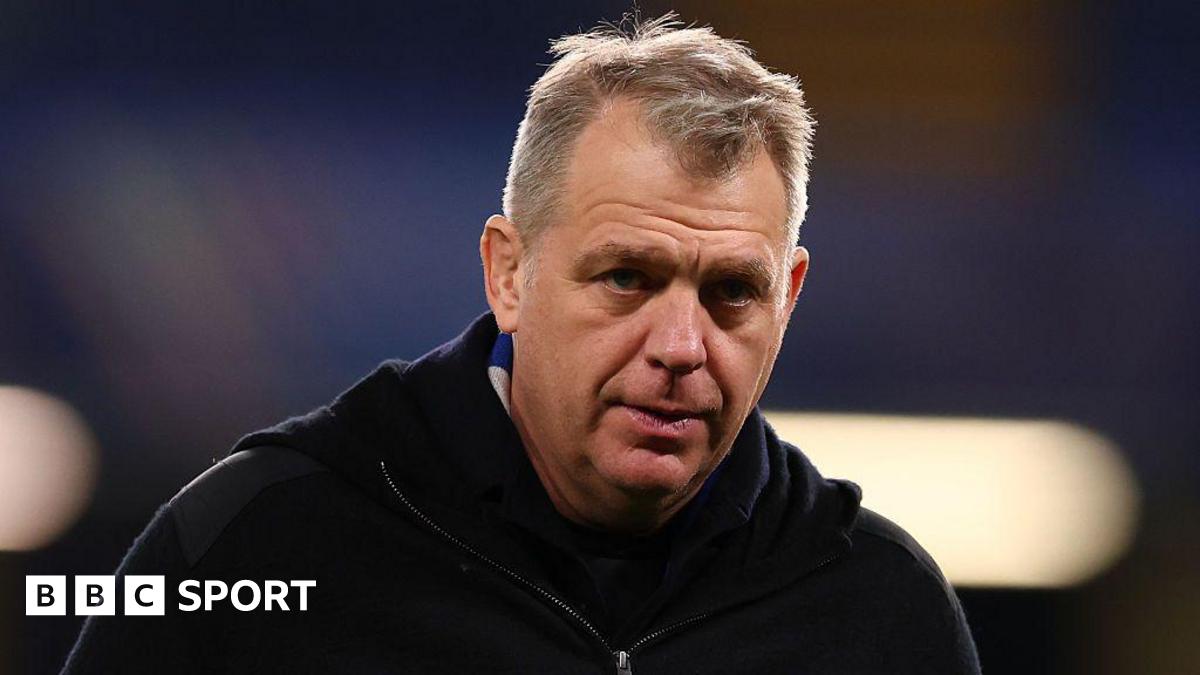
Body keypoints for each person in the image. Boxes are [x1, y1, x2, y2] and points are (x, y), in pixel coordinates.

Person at [64, 15, 980, 674]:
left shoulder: (878, 608)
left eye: (732, 291)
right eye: (627, 276)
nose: (680, 346)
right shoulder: (254, 545)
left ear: (790, 296)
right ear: (509, 274)